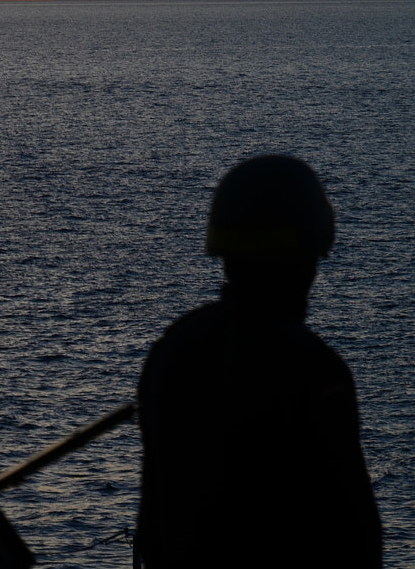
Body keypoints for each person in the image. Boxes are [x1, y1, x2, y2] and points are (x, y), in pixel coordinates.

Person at [135, 155, 382, 568]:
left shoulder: (173, 351)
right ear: (307, 254)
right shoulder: (315, 371)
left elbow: (154, 526)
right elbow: (355, 535)